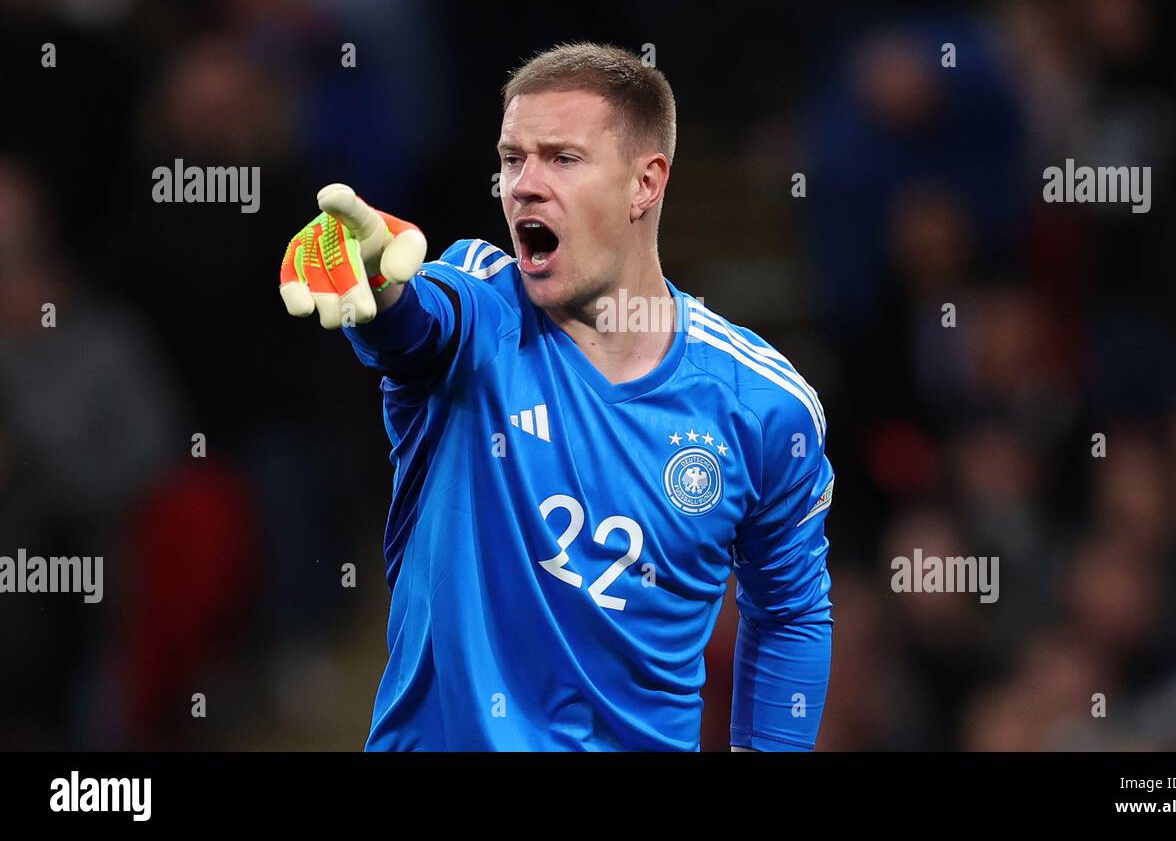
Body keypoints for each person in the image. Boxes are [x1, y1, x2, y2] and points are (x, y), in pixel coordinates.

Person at [278, 42, 834, 751]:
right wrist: (374, 282)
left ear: (645, 182)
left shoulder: (761, 407)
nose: (524, 186)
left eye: (562, 159)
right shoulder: (480, 311)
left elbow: (790, 613)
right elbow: (413, 324)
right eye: (513, 159)